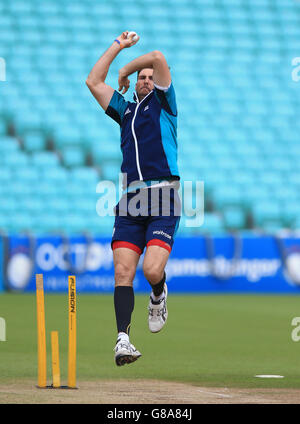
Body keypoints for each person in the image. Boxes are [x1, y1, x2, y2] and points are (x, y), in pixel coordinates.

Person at [86, 31, 181, 366]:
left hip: (163, 196)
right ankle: (123, 339)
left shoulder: (166, 105)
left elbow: (156, 55)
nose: (145, 80)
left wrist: (126, 68)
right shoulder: (125, 111)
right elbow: (93, 81)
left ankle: (158, 293)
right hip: (130, 200)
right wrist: (117, 45)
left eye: (149, 78)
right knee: (122, 272)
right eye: (140, 79)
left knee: (152, 269)